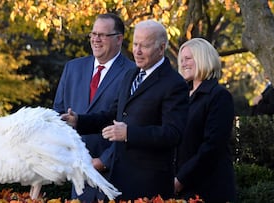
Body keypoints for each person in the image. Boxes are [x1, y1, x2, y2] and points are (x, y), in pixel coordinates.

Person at [62, 19, 189, 201]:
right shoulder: (131, 75)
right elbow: (113, 115)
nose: (137, 51)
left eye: (144, 46)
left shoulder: (174, 84)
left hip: (149, 185)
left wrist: (129, 133)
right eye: (135, 44)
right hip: (119, 181)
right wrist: (79, 121)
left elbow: (173, 133)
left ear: (161, 49)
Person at [53, 13, 135, 202]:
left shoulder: (132, 73)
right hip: (79, 175)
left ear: (119, 39)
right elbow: (57, 114)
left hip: (116, 174)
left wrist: (104, 161)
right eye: (93, 34)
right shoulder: (73, 68)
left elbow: (132, 122)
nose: (96, 39)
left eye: (102, 35)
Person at [174, 38, 236, 202]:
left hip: (208, 189)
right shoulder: (181, 96)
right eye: (182, 59)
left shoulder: (219, 96)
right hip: (179, 188)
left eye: (188, 58)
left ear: (203, 58)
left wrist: (181, 179)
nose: (183, 63)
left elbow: (212, 146)